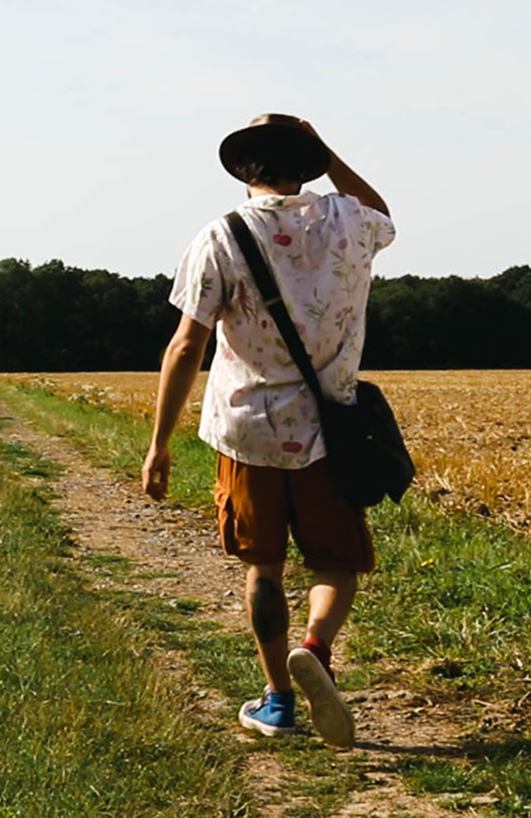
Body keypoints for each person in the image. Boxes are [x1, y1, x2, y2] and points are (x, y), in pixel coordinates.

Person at [142, 114, 395, 748]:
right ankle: (317, 648)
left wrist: (160, 443)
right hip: (331, 432)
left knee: (263, 568)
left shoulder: (220, 236)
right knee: (335, 564)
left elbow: (186, 346)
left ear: (242, 168)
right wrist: (325, 149)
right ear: (309, 164)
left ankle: (278, 700)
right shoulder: (349, 221)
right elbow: (383, 212)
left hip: (247, 432)